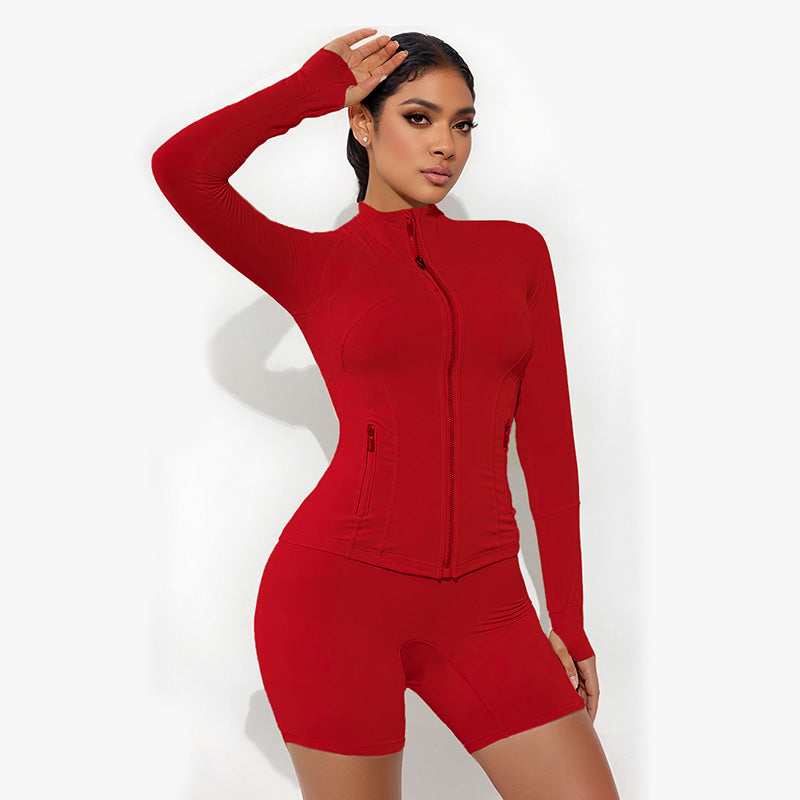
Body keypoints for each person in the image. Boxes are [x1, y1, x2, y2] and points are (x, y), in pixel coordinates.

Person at [151, 26, 620, 800]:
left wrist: (567, 620)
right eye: (418, 117)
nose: (445, 145)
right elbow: (182, 170)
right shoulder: (313, 264)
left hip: (488, 606)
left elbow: (548, 445)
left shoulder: (517, 254)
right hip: (336, 603)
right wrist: (303, 92)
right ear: (362, 124)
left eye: (462, 123)